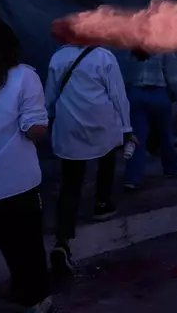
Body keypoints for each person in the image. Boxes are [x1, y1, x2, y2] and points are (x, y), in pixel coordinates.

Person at [44, 42, 132, 279]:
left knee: (70, 181)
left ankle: (62, 240)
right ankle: (102, 204)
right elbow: (117, 94)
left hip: (69, 128)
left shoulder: (58, 56)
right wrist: (126, 127)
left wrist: (50, 118)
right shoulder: (104, 56)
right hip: (101, 125)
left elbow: (49, 97)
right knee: (107, 158)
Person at [0, 19, 56, 312]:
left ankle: (20, 288)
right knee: (27, 248)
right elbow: (34, 129)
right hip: (17, 181)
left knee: (8, 242)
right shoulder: (24, 77)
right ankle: (36, 300)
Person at [122, 49, 177, 190]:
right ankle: (171, 168)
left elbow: (126, 73)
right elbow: (174, 76)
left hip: (136, 94)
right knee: (165, 134)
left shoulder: (132, 46)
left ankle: (132, 178)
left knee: (136, 137)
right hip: (158, 94)